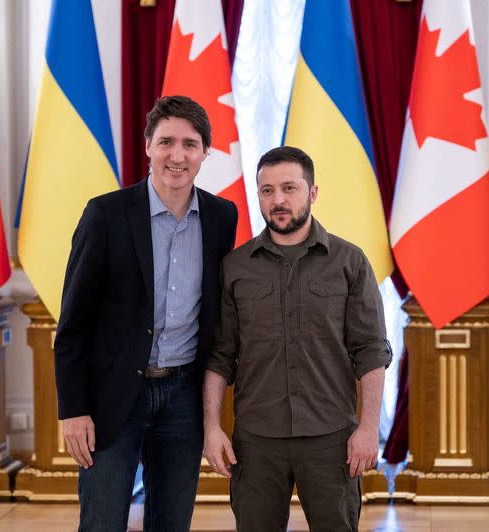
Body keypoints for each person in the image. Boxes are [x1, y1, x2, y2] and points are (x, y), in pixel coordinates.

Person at [54, 95, 238, 532]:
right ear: (148, 146)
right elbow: (73, 325)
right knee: (102, 522)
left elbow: (218, 313)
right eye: (167, 142)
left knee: (172, 523)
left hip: (183, 397)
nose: (178, 156)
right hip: (113, 397)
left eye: (190, 144)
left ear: (205, 152)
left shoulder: (221, 216)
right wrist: (73, 409)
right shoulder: (106, 214)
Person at [203, 146, 392, 531]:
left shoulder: (349, 262)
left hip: (331, 438)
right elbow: (219, 355)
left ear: (312, 192)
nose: (278, 200)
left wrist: (369, 428)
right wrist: (211, 427)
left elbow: (370, 351)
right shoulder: (234, 267)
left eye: (289, 188)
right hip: (256, 441)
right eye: (267, 191)